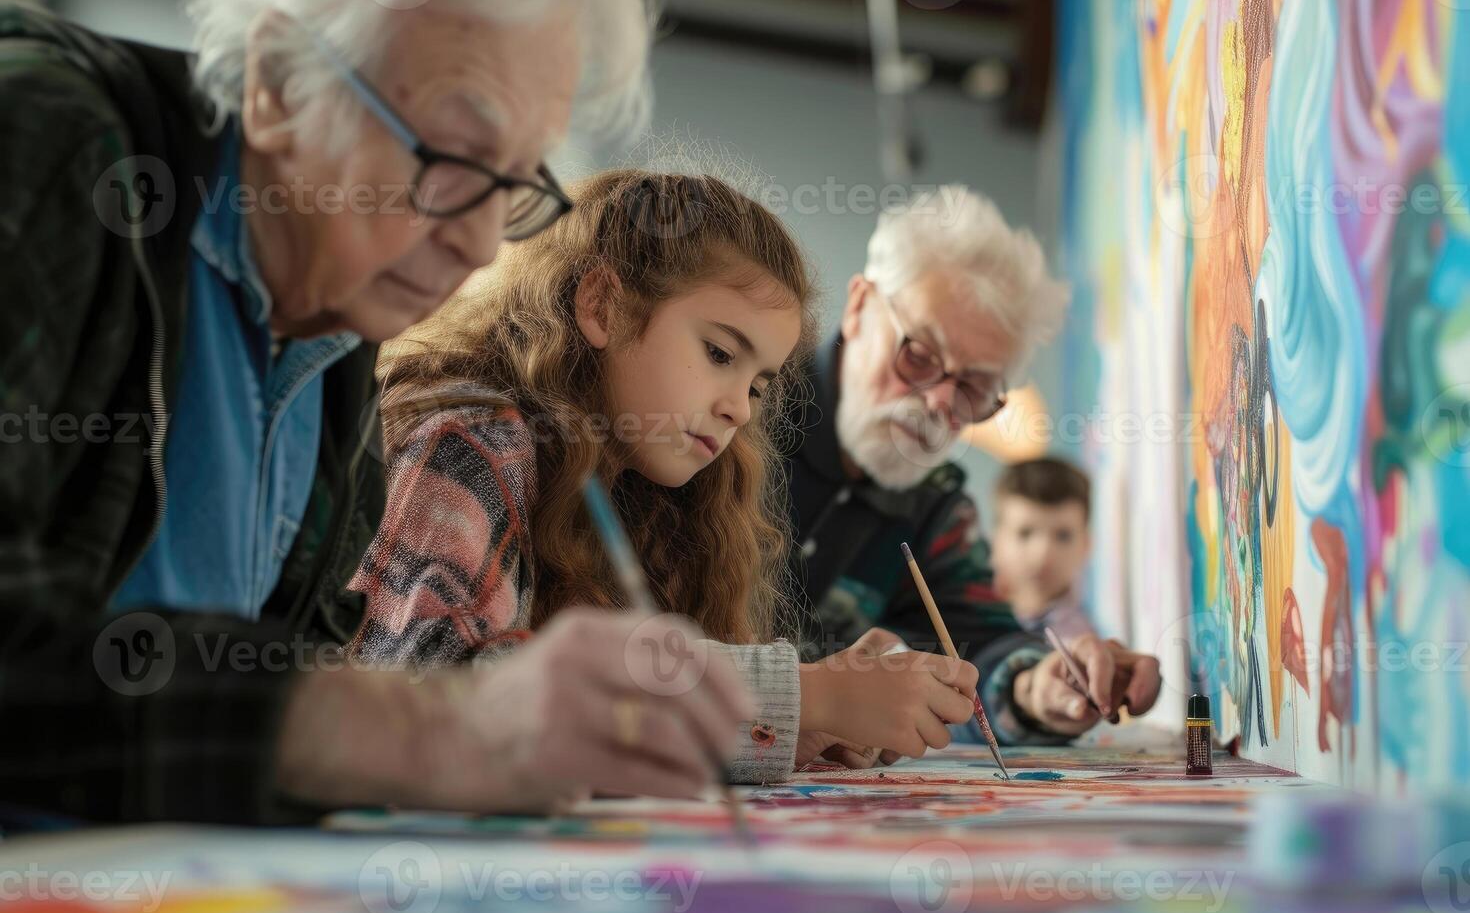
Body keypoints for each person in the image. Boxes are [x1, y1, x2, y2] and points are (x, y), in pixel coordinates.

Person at [0, 0, 751, 824]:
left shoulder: (335, 313)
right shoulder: (43, 141)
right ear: (279, 84)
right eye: (451, 161)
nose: (475, 244)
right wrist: (421, 732)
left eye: (513, 185)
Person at [349, 170, 984, 785]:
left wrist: (794, 724)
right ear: (603, 305)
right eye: (720, 354)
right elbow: (424, 696)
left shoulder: (639, 491)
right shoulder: (471, 443)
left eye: (759, 385)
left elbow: (589, 738)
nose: (740, 407)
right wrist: (809, 693)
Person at [784, 186, 1161, 753]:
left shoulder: (935, 503)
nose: (939, 403)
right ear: (859, 307)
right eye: (918, 355)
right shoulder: (732, 417)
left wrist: (1038, 689)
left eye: (974, 387)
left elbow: (976, 648)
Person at [991, 457, 1098, 647]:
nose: (1042, 556)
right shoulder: (963, 615)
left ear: (1086, 545)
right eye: (1025, 533)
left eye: (1063, 536)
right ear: (997, 541)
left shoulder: (1084, 644)